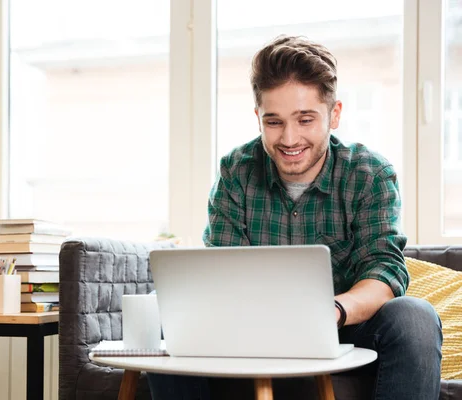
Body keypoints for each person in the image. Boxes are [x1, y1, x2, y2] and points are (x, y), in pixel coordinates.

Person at [147, 35, 443, 400]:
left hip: (344, 324)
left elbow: (383, 270)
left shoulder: (370, 174)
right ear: (258, 118)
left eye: (305, 119)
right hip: (250, 330)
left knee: (414, 317)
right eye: (274, 122)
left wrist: (331, 310)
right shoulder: (235, 172)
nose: (289, 138)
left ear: (334, 114)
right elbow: (220, 272)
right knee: (166, 312)